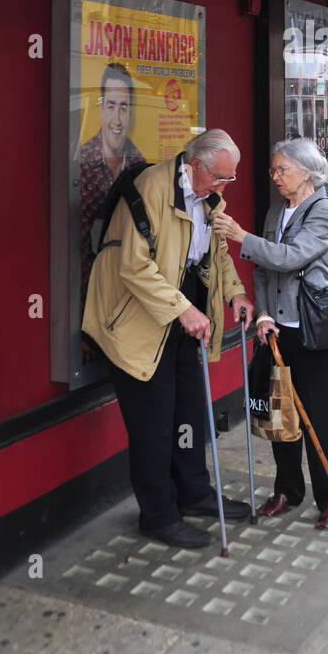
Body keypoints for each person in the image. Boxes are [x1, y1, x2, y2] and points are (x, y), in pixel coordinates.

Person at [82, 130, 254, 549]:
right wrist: (185, 310)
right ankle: (158, 515)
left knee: (190, 409)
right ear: (195, 165)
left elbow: (215, 254)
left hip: (179, 310)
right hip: (137, 318)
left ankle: (193, 493)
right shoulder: (151, 190)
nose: (224, 186)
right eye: (220, 177)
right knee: (153, 424)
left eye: (230, 179)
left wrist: (236, 293)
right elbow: (133, 267)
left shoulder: (207, 194)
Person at [213, 138, 328, 531]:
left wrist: (240, 235)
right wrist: (264, 313)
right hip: (276, 329)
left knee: (319, 419)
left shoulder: (323, 210)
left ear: (306, 171)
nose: (274, 176)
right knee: (280, 413)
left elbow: (289, 258)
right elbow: (262, 267)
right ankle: (288, 489)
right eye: (273, 170)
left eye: (281, 169)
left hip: (312, 329)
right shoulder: (276, 210)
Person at [79, 62, 146, 306]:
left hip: (130, 299)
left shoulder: (140, 165)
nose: (117, 119)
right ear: (101, 109)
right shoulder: (82, 164)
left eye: (124, 108)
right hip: (89, 299)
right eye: (111, 106)